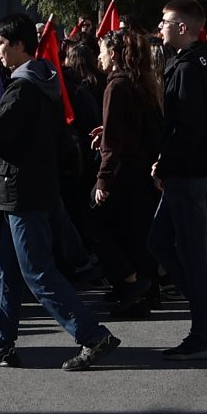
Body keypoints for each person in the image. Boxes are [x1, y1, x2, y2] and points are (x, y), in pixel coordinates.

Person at [0, 15, 119, 371]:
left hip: (22, 192)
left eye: (1, 44)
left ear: (19, 45)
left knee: (37, 273)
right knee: (7, 271)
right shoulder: (44, 80)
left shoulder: (22, 87)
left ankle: (92, 335)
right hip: (33, 189)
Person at [153, 0, 207, 360]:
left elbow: (185, 129)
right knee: (159, 243)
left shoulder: (189, 67)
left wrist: (164, 163)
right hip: (192, 170)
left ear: (183, 27)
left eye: (166, 21)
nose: (161, 27)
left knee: (192, 256)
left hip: (187, 174)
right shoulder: (203, 60)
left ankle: (204, 334)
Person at [89, 29, 163, 318]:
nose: (99, 57)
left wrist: (102, 179)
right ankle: (140, 290)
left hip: (123, 168)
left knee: (95, 222)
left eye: (103, 51)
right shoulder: (141, 81)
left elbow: (113, 144)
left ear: (115, 54)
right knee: (131, 230)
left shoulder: (116, 86)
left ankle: (131, 283)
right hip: (140, 167)